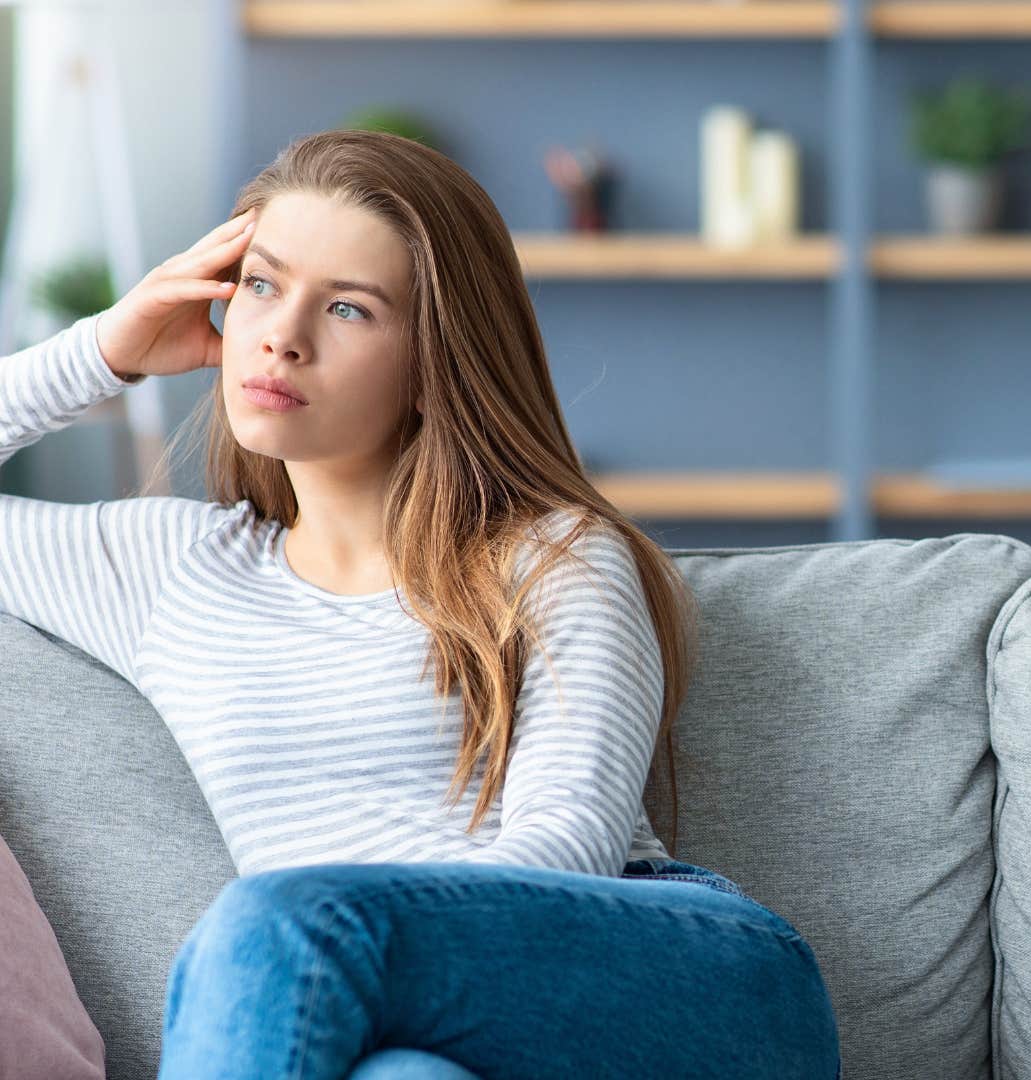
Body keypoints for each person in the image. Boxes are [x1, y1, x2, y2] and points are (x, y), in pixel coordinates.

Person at [0, 129, 839, 1079]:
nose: (282, 335)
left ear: (437, 355)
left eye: (350, 308)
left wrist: (338, 932)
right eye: (263, 286)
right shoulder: (170, 573)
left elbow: (566, 844)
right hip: (391, 1016)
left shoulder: (552, 556)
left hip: (676, 981)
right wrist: (106, 349)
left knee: (280, 920)